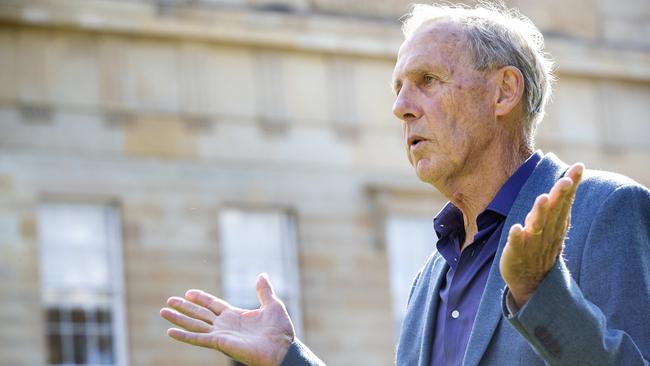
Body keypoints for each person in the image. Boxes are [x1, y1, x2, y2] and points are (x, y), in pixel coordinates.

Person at [160, 3, 650, 365]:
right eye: (399, 87)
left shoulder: (605, 210)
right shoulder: (432, 275)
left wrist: (540, 292)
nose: (401, 107)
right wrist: (287, 359)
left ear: (503, 92)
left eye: (428, 80)